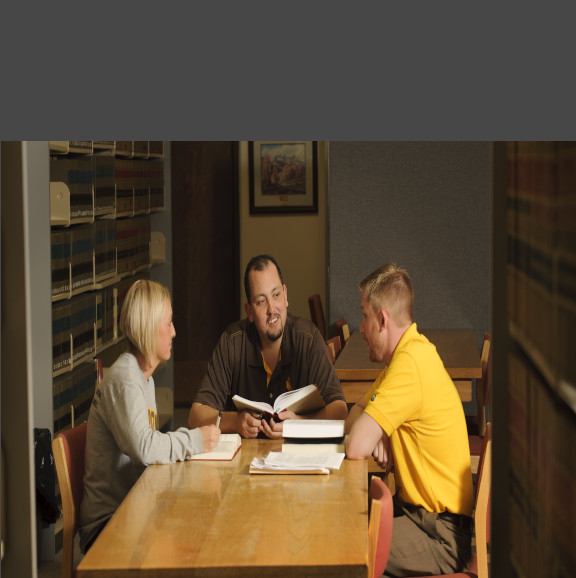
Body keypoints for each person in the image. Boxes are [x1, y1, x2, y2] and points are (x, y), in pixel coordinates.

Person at [345, 264, 473, 577]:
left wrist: (378, 431)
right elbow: (353, 416)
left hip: (440, 536)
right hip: (418, 516)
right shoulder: (406, 358)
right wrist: (386, 431)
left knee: (347, 549)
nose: (361, 328)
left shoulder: (409, 366)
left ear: (382, 319)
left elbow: (355, 446)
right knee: (341, 529)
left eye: (364, 315)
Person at [79, 279, 220, 553]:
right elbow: (144, 448)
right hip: (108, 525)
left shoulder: (145, 379)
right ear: (147, 327)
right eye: (168, 323)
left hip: (136, 509)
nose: (174, 332)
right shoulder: (125, 380)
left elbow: (149, 441)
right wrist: (194, 440)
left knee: (201, 531)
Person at [188, 254, 348, 439]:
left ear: (286, 296)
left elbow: (340, 411)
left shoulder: (307, 338)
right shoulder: (232, 342)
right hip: (243, 461)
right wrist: (235, 421)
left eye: (276, 295)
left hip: (297, 460)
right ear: (249, 311)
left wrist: (299, 423)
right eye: (261, 301)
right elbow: (195, 417)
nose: (272, 309)